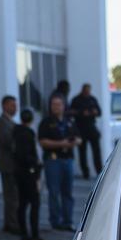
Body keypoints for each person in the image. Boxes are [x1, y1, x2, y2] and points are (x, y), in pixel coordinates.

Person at [38, 94, 80, 231]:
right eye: (53, 104)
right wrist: (60, 143)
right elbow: (42, 141)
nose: (56, 107)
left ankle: (68, 221)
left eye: (58, 104)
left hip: (67, 160)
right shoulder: (46, 122)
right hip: (53, 161)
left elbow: (79, 139)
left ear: (63, 106)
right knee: (54, 192)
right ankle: (56, 221)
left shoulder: (69, 121)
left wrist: (74, 142)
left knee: (67, 193)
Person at [12, 109, 48, 240]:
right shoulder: (27, 133)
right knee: (34, 203)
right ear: (31, 119)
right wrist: (36, 166)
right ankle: (34, 234)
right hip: (29, 173)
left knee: (22, 203)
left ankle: (24, 233)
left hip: (20, 172)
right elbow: (27, 155)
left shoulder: (16, 131)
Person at [0, 95, 19, 235]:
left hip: (12, 165)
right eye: (12, 105)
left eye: (15, 105)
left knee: (14, 196)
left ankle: (11, 223)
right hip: (7, 165)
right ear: (4, 106)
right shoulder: (1, 123)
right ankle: (11, 224)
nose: (15, 108)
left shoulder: (10, 121)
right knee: (11, 196)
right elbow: (7, 142)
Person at [69, 83, 103, 179]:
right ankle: (85, 173)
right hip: (80, 128)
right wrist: (81, 113)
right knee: (82, 152)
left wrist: (93, 112)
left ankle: (99, 172)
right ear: (82, 90)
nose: (87, 93)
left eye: (88, 91)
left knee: (96, 151)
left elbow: (100, 112)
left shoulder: (92, 99)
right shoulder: (76, 100)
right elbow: (70, 112)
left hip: (91, 127)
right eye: (86, 91)